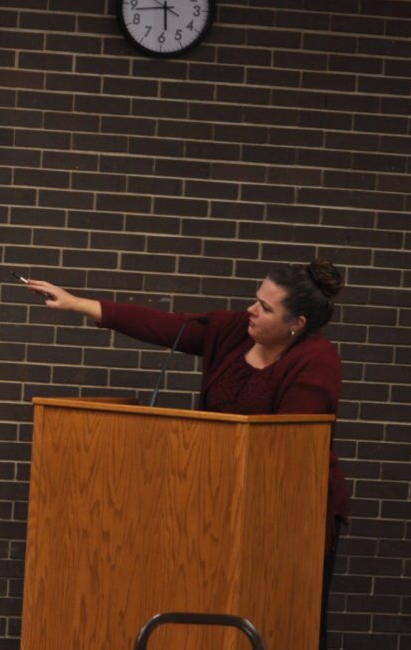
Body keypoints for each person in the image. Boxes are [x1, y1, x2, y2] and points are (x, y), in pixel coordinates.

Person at [25, 258, 348, 650]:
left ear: (296, 323)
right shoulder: (234, 331)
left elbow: (288, 446)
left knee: (283, 619)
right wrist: (77, 303)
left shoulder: (317, 362)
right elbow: (163, 325)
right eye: (255, 299)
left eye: (265, 307)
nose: (251, 309)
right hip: (215, 502)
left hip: (289, 513)